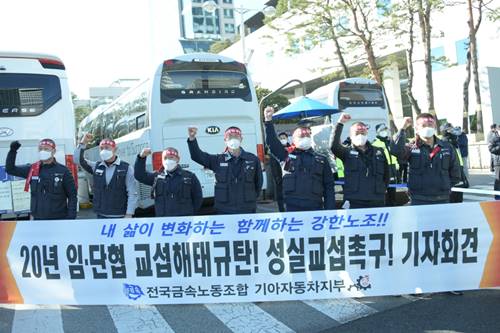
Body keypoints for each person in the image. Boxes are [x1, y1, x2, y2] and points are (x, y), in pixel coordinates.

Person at [264, 106, 335, 211]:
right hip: (290, 207)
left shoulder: (321, 159)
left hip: (315, 207)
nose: (305, 138)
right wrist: (268, 121)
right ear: (293, 139)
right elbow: (272, 142)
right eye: (301, 136)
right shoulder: (285, 155)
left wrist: (330, 210)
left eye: (307, 136)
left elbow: (329, 187)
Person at [187, 126, 262, 214]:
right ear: (225, 140)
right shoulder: (218, 159)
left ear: (241, 139)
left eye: (236, 137)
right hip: (224, 208)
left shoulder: (253, 159)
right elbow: (197, 156)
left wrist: (250, 197)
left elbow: (258, 183)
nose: (233, 139)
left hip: (247, 208)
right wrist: (192, 139)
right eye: (230, 137)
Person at [331, 113, 396, 209]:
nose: (360, 135)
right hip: (354, 201)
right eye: (357, 133)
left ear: (367, 133)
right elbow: (333, 146)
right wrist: (340, 123)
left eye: (363, 132)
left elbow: (386, 175)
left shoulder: (379, 151)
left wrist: (381, 190)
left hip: (377, 200)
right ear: (351, 136)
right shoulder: (347, 152)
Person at [396, 113, 461, 205]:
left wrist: (444, 186)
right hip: (419, 199)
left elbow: (455, 173)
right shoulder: (411, 147)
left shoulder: (447, 147)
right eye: (423, 125)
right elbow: (396, 151)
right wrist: (402, 129)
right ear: (416, 128)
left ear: (435, 127)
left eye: (430, 125)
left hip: (442, 198)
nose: (427, 128)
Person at [6, 139, 77, 220]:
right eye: (40, 149)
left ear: (53, 151)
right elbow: (10, 169)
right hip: (37, 219)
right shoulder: (32, 169)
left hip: (59, 219)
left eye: (46, 149)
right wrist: (13, 151)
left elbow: (72, 196)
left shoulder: (63, 171)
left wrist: (70, 218)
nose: (42, 151)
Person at [75, 134, 137, 219]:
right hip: (101, 215)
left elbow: (132, 192)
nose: (104, 150)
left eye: (107, 148)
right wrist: (83, 143)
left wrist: (129, 214)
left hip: (120, 215)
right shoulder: (96, 166)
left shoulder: (126, 168)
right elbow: (77, 160)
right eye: (101, 148)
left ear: (115, 149)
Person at [135, 147, 203, 216]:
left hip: (184, 221)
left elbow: (198, 199)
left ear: (177, 159)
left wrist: (190, 213)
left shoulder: (190, 177)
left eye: (171, 157)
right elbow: (139, 175)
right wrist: (141, 157)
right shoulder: (157, 177)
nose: (168, 160)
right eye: (165, 158)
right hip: (164, 221)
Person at [372, 123, 401, 206]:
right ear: (377, 132)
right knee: (382, 193)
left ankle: (393, 207)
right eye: (381, 130)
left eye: (385, 129)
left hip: (392, 170)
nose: (384, 131)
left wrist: (397, 169)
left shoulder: (390, 142)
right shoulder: (374, 143)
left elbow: (394, 157)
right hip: (382, 171)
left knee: (392, 193)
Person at [440, 123, 469, 203]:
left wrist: (464, 178)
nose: (454, 131)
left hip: (458, 178)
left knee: (458, 203)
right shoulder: (444, 144)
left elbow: (459, 163)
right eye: (451, 129)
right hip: (451, 181)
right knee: (451, 204)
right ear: (447, 131)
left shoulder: (454, 143)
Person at [269, 131, 290, 212]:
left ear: (287, 139)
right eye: (281, 138)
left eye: (284, 138)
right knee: (280, 194)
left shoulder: (292, 149)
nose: (282, 139)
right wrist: (277, 177)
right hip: (279, 176)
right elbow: (273, 164)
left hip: (289, 176)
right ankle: (281, 210)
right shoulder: (276, 149)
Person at [488, 135, 500, 200]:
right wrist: (499, 147)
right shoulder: (494, 139)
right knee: (498, 180)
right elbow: (490, 149)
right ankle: (497, 197)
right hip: (498, 162)